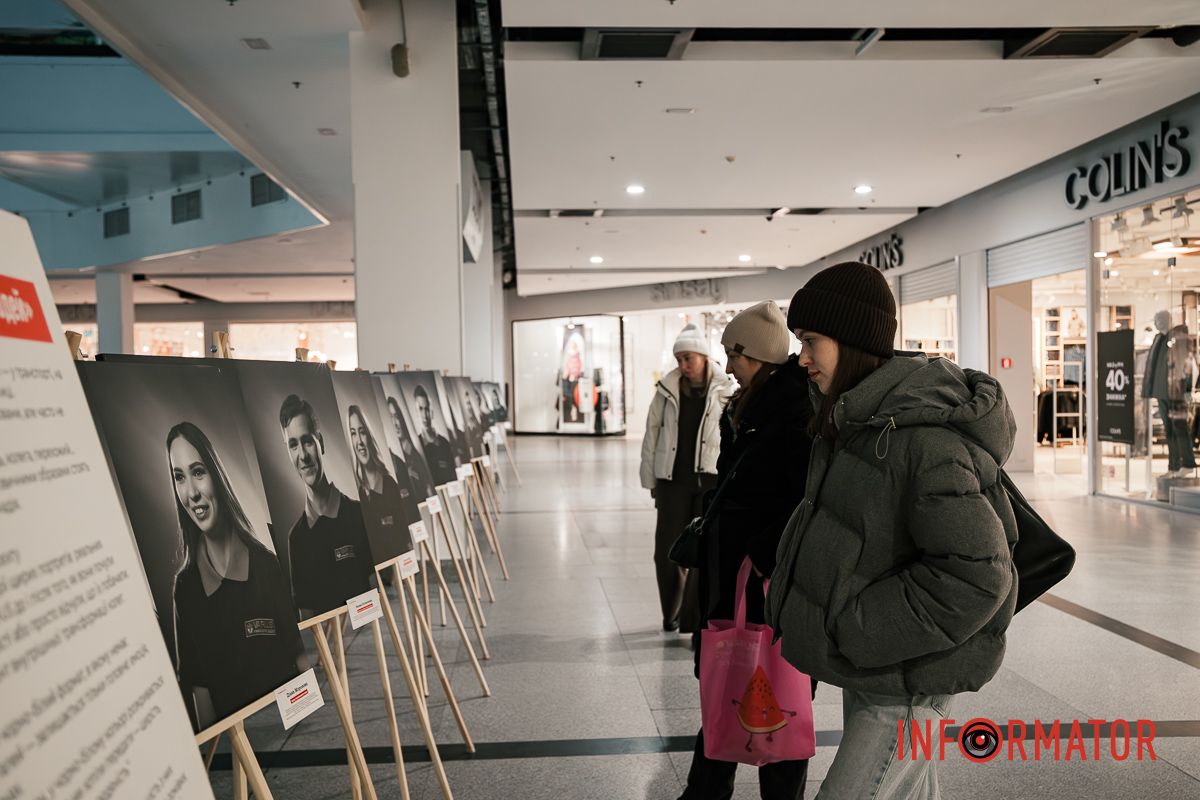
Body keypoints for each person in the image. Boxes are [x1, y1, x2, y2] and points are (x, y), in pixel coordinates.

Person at [765, 262, 1018, 799]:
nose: (802, 358)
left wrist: (859, 626)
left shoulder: (922, 440)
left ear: (853, 341)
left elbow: (976, 575)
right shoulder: (857, 423)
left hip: (908, 676)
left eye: (812, 341)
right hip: (881, 665)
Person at [680, 302, 814, 800]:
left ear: (754, 355)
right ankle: (705, 791)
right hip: (731, 573)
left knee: (777, 693)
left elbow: (803, 499)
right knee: (724, 684)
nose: (727, 364)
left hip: (765, 579)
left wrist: (761, 554)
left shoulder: (795, 413)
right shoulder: (749, 406)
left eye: (732, 354)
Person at [167, 422, 305, 730]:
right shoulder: (185, 589)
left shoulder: (267, 566)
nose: (191, 493)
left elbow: (298, 655)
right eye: (179, 477)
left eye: (198, 471)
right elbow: (199, 690)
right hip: (239, 751)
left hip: (293, 734)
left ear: (216, 474)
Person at [641, 323, 734, 631]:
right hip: (672, 480)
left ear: (704, 357)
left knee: (702, 550)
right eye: (679, 359)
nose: (683, 365)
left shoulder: (726, 388)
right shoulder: (667, 389)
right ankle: (671, 612)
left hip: (710, 480)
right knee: (665, 552)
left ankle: (694, 621)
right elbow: (652, 432)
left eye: (688, 358)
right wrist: (650, 479)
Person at [279, 394, 374, 618]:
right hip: (327, 645)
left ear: (320, 442)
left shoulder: (359, 514)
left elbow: (373, 590)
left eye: (308, 441)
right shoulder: (296, 539)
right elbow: (308, 616)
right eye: (293, 445)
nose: (302, 455)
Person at [347, 404, 406, 556]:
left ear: (369, 436)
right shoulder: (356, 494)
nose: (359, 441)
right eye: (353, 433)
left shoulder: (390, 485)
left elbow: (403, 538)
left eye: (362, 432)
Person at [386, 395, 434, 518]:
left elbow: (427, 485)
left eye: (397, 416)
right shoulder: (391, 458)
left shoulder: (412, 451)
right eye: (390, 418)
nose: (395, 423)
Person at [413, 384, 458, 485]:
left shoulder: (445, 443)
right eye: (420, 409)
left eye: (427, 409)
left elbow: (454, 477)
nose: (425, 415)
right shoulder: (417, 447)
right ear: (416, 412)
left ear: (432, 411)